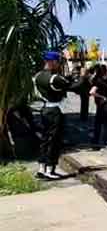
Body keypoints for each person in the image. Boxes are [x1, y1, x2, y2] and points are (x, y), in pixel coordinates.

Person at [32, 51, 81, 179]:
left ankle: (41, 169)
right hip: (55, 111)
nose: (59, 64)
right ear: (53, 62)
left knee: (45, 140)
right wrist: (84, 77)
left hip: (45, 109)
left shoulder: (38, 76)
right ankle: (50, 170)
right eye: (58, 62)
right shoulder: (55, 78)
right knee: (54, 141)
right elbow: (73, 86)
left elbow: (63, 83)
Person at [89, 64, 107, 149]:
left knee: (98, 124)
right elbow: (92, 92)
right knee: (106, 124)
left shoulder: (97, 80)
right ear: (104, 71)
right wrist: (103, 97)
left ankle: (96, 141)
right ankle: (105, 141)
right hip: (106, 105)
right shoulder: (101, 81)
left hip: (100, 105)